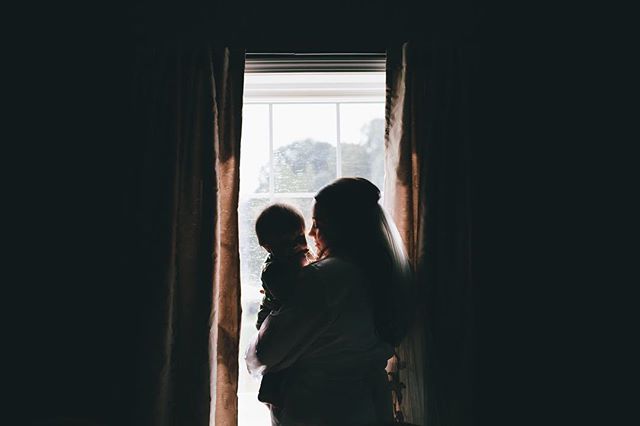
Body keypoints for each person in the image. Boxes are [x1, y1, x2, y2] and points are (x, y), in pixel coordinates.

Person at [246, 177, 413, 426]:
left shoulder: (323, 279)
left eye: (317, 225)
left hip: (318, 410)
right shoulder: (377, 273)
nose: (311, 234)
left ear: (343, 229)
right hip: (366, 407)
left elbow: (266, 352)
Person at [254, 203, 315, 407]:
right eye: (286, 243)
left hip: (284, 314)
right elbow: (289, 294)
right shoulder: (272, 269)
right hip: (270, 317)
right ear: (268, 247)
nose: (298, 245)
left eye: (300, 238)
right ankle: (268, 390)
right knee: (278, 362)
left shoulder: (300, 257)